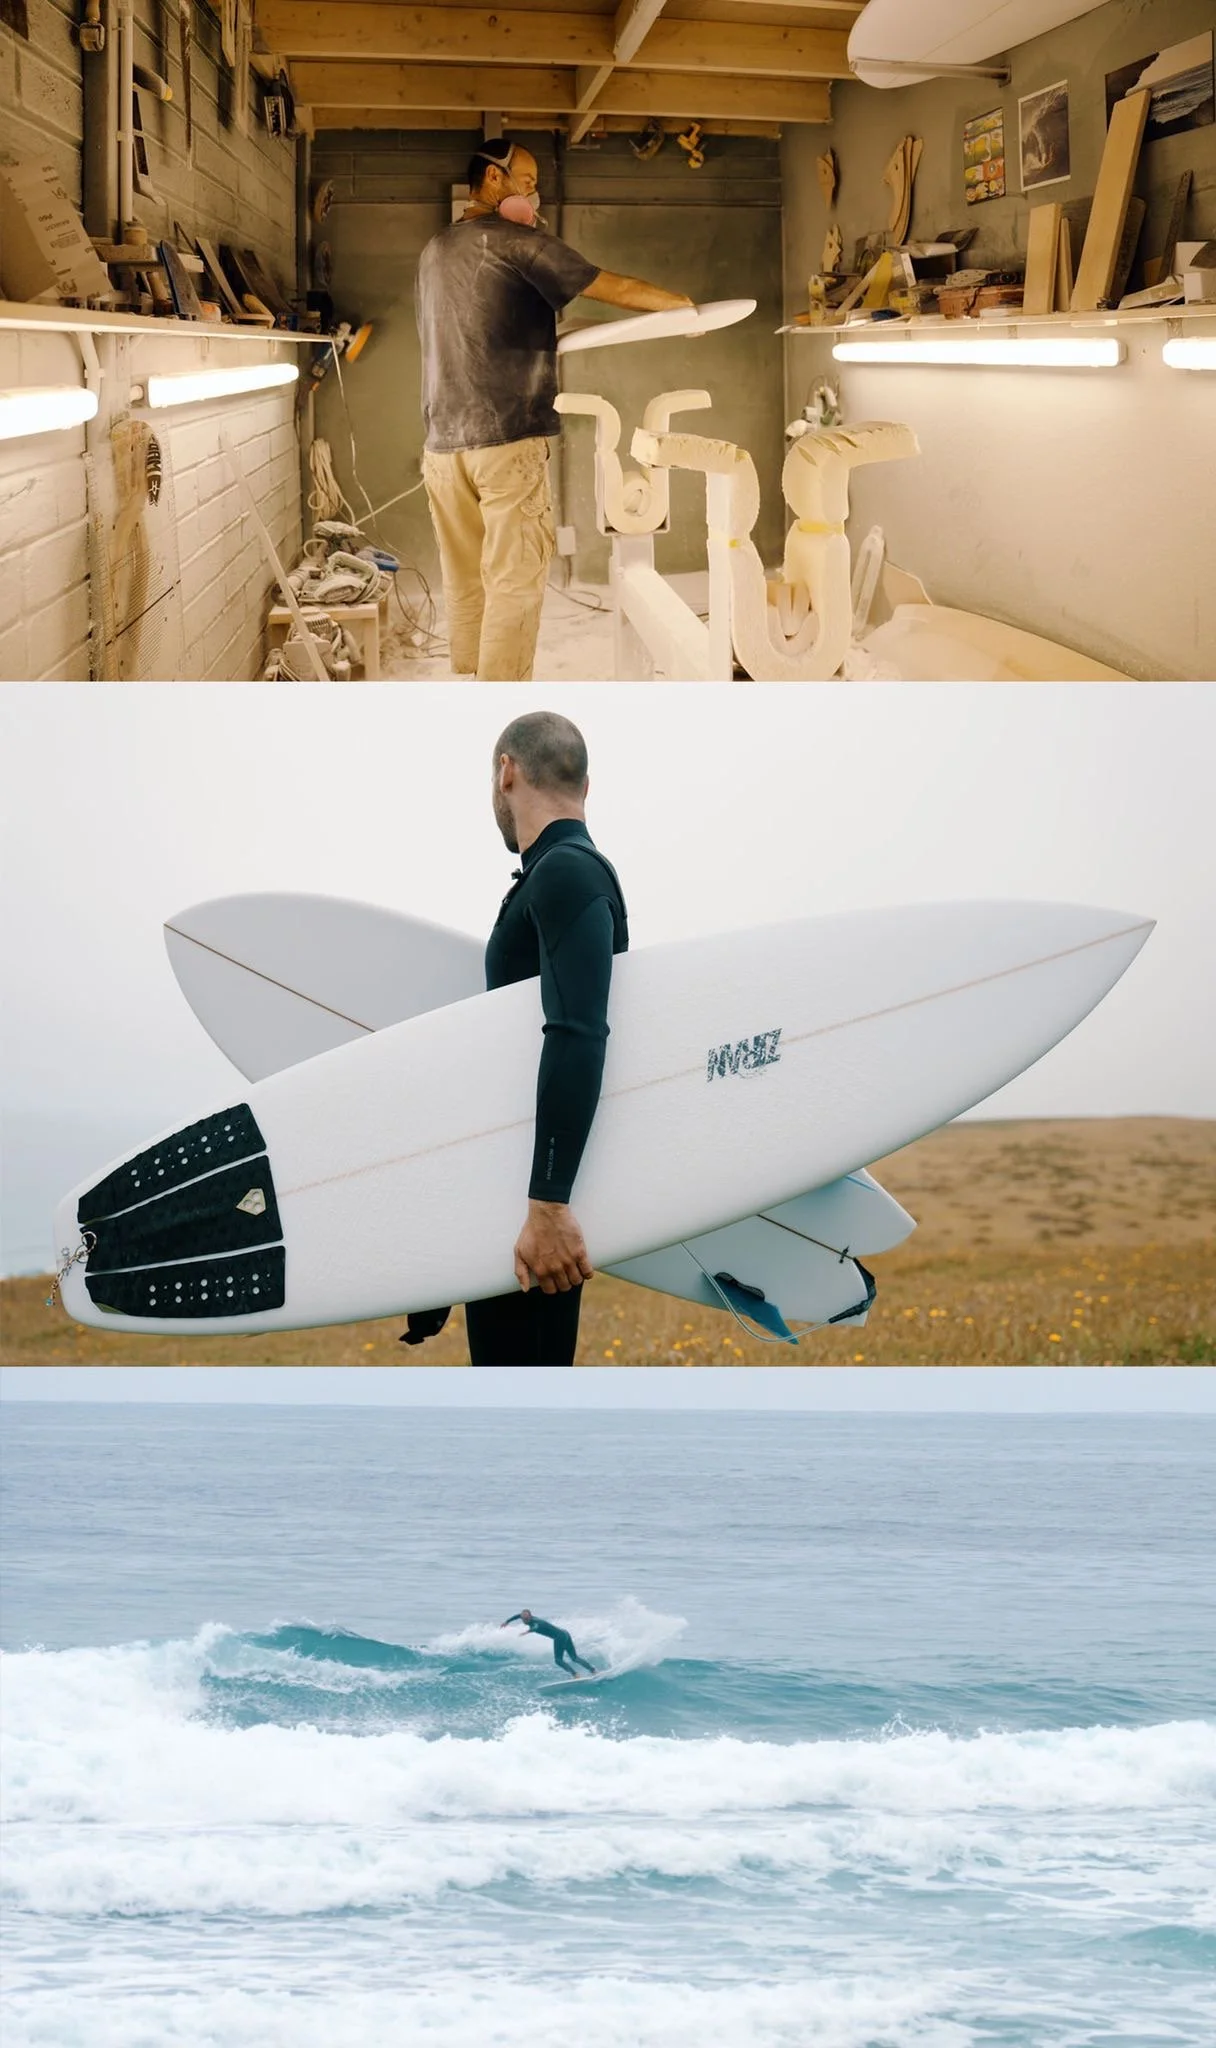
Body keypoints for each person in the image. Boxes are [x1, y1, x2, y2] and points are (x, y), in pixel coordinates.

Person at [415, 139, 693, 681]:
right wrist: (679, 305)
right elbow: (609, 285)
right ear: (493, 179)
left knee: (466, 576)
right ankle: (503, 709)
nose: (533, 192)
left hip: (442, 450)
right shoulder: (518, 241)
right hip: (507, 442)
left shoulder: (436, 250)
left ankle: (470, 685)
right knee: (514, 581)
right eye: (525, 179)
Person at [401, 711, 626, 1367]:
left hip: (538, 1210)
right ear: (584, 784)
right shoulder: (551, 876)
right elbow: (505, 1074)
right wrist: (456, 1248)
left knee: (524, 1426)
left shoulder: (568, 875)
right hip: (518, 1203)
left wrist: (550, 1205)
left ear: (508, 771)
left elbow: (578, 1033)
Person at [501, 1608, 595, 1677]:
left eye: (525, 1619)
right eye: (523, 1619)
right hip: (565, 1633)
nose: (524, 1621)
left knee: (558, 1660)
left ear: (530, 1617)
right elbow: (517, 1616)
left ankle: (575, 1674)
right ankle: (593, 1670)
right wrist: (507, 1621)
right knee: (574, 1658)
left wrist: (528, 1631)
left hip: (559, 1637)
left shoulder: (535, 1622)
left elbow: (536, 1627)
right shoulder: (526, 1617)